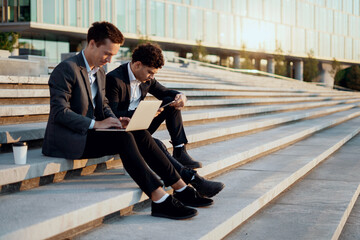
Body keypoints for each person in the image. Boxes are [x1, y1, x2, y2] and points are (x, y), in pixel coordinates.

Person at [42, 21, 213, 220]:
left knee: (136, 130)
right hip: (69, 138)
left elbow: (104, 105)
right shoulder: (66, 69)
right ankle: (159, 199)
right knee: (124, 140)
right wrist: (96, 124)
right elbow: (58, 112)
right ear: (92, 44)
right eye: (107, 53)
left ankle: (180, 187)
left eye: (113, 54)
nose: (110, 59)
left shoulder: (99, 71)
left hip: (91, 133)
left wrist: (116, 121)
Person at [106, 43, 201, 169]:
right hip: (122, 129)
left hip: (141, 125)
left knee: (170, 101)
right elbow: (112, 115)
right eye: (150, 72)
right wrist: (143, 113)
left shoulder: (147, 79)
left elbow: (165, 92)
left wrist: (181, 95)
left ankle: (179, 151)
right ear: (137, 64)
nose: (152, 77)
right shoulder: (114, 79)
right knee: (157, 144)